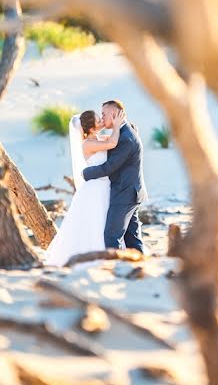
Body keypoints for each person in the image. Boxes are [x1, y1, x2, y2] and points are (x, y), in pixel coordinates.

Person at [43, 108, 125, 266]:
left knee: (106, 221)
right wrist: (116, 125)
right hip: (94, 189)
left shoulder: (97, 138)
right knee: (95, 221)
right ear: (92, 128)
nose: (101, 121)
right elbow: (112, 143)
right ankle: (97, 257)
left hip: (104, 186)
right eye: (98, 120)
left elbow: (114, 140)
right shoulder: (88, 144)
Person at [82, 100, 148, 253]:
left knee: (112, 236)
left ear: (114, 114)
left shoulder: (126, 138)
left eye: (104, 115)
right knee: (132, 237)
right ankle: (138, 267)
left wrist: (85, 173)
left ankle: (116, 270)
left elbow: (110, 167)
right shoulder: (124, 132)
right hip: (129, 192)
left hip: (124, 194)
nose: (102, 118)